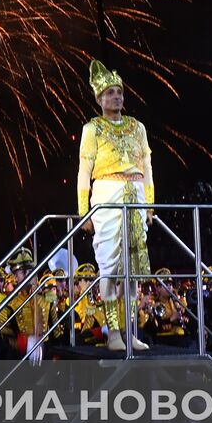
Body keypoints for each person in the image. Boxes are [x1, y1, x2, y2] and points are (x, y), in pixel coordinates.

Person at [76, 59, 153, 353]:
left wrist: (150, 206)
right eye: (110, 93)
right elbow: (84, 171)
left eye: (119, 92)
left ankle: (131, 332)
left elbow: (146, 165)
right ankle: (113, 333)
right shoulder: (92, 128)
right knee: (109, 266)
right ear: (99, 98)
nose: (116, 97)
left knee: (133, 269)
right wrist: (84, 210)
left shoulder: (138, 127)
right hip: (107, 194)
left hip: (135, 193)